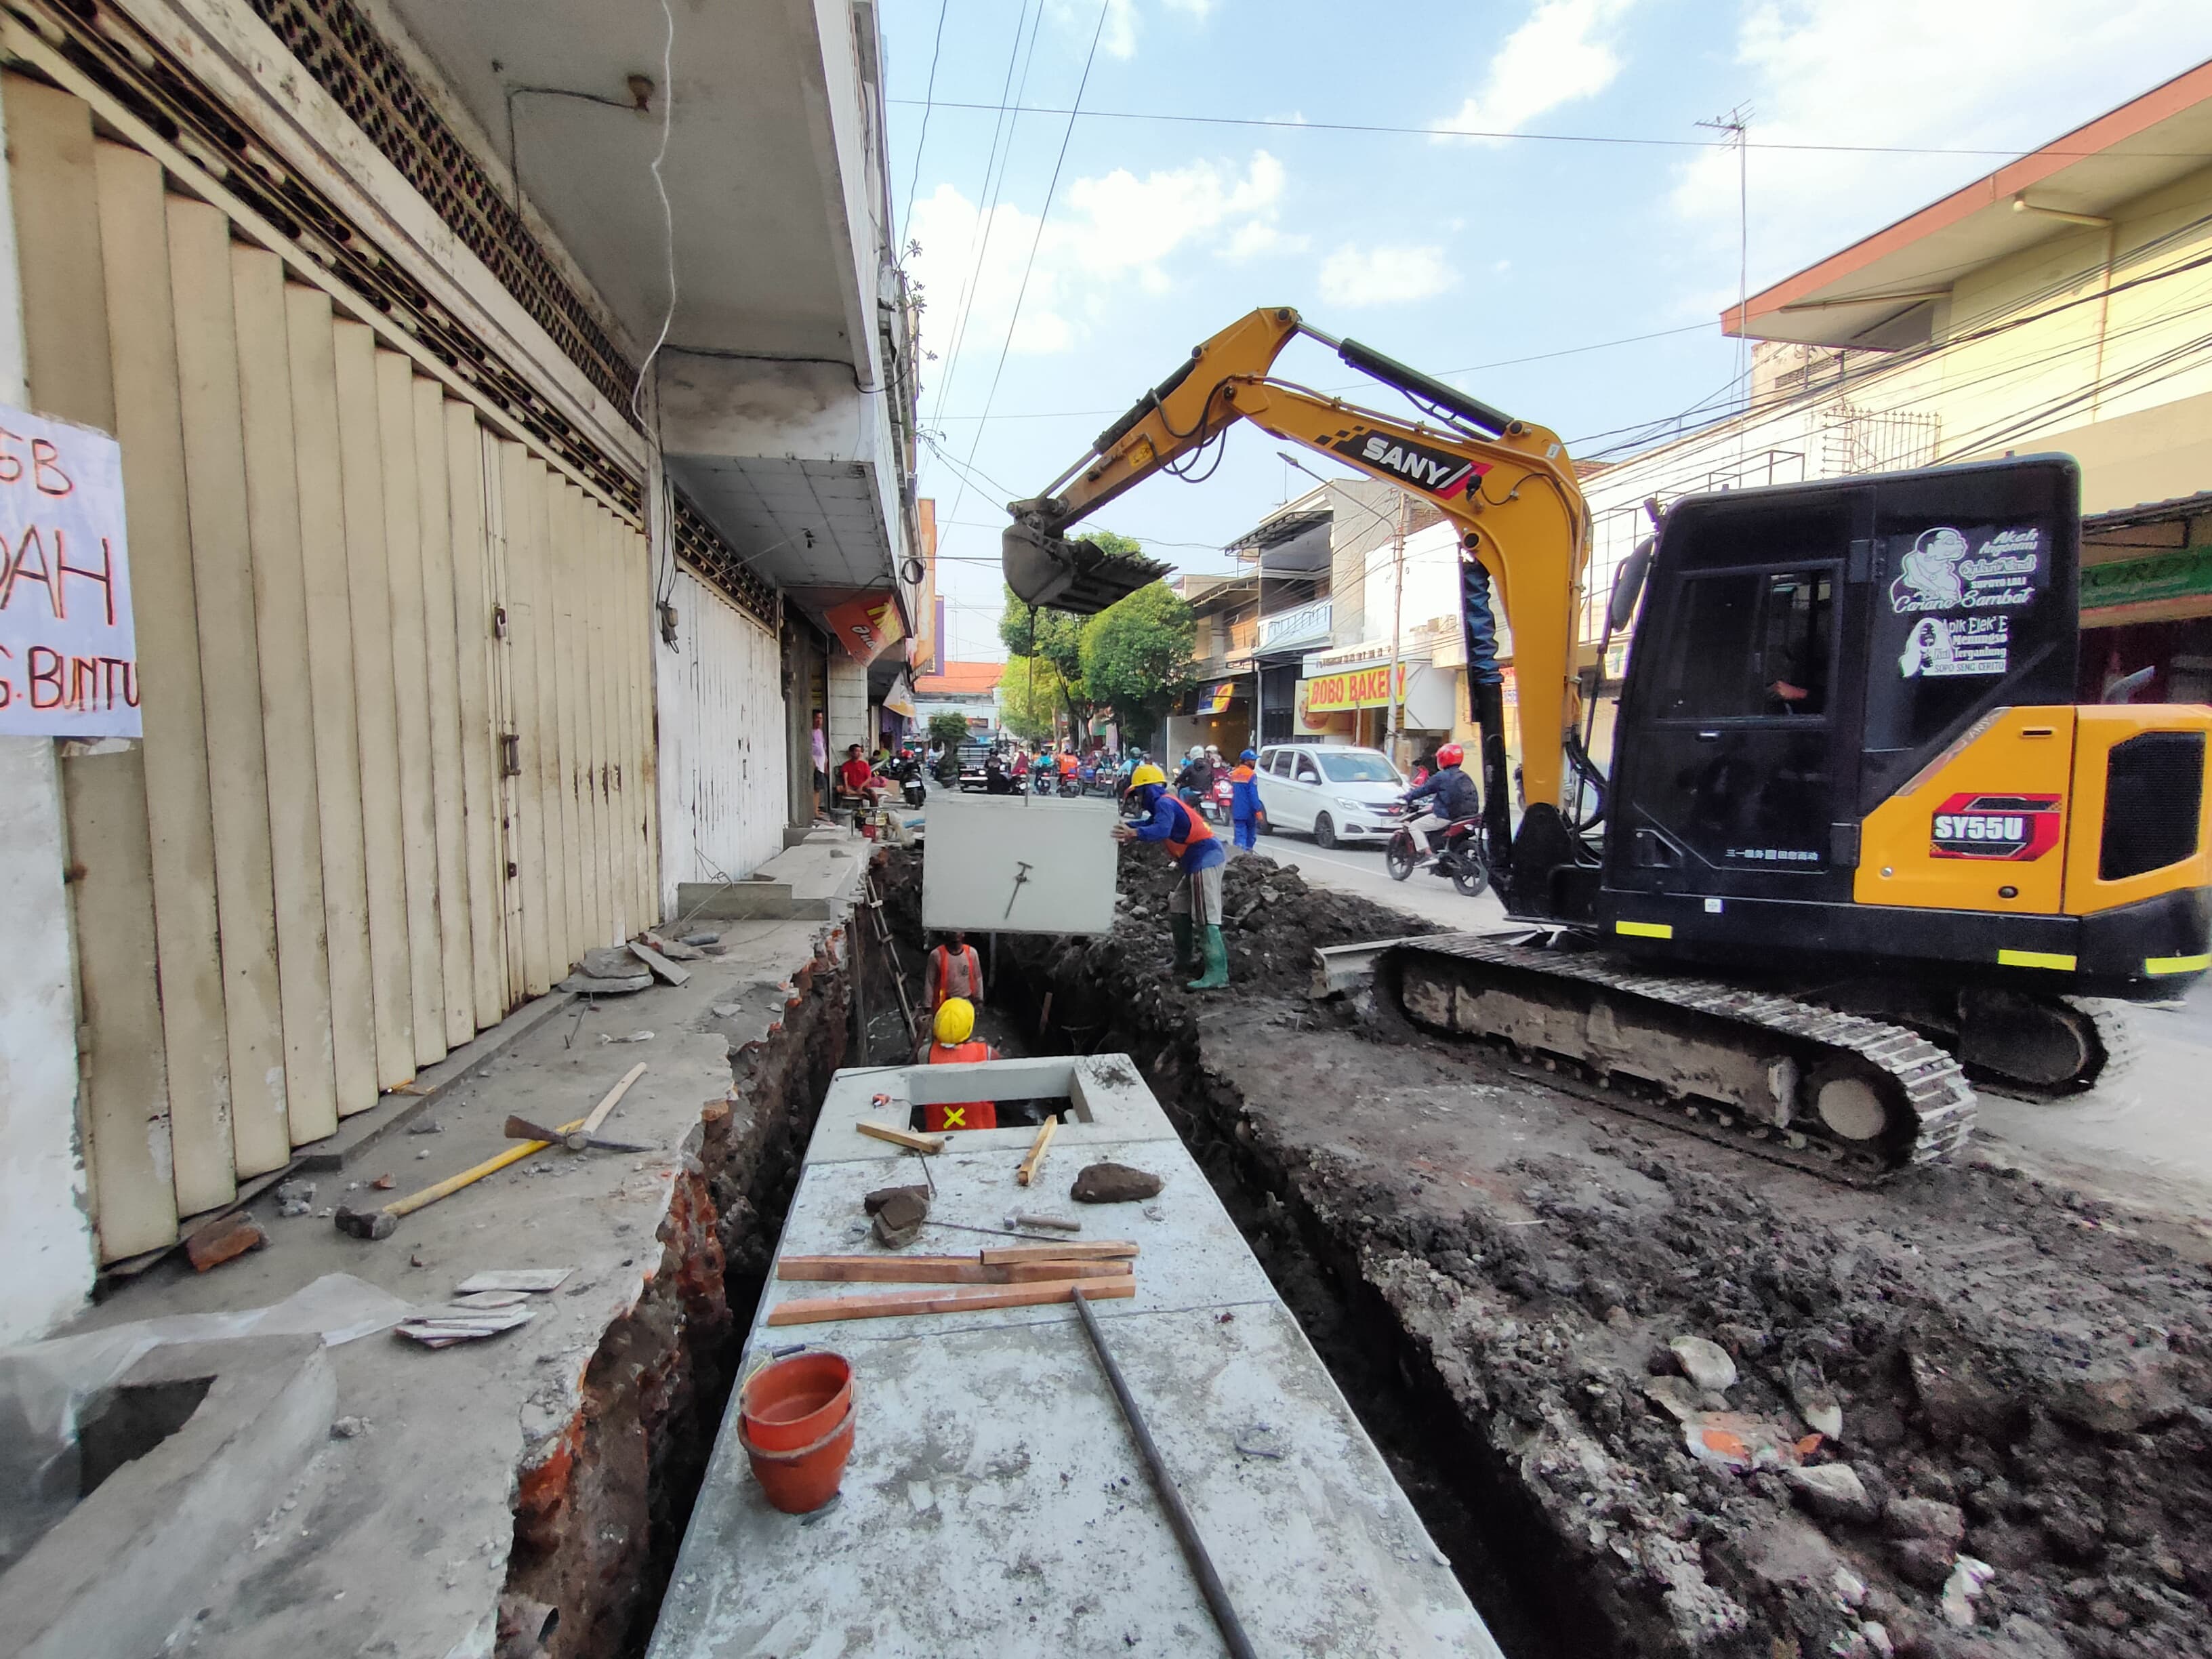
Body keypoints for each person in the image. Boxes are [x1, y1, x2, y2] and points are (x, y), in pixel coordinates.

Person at [1113, 762, 1230, 990]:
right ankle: (1183, 960)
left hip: (1206, 858)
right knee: (1179, 905)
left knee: (1205, 916)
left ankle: (1218, 973)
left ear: (1147, 789)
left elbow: (1162, 830)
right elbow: (1151, 823)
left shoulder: (1165, 803)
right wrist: (1129, 827)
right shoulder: (1164, 805)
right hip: (1195, 861)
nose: (1138, 799)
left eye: (1138, 793)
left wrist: (1134, 833)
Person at [920, 998, 996, 1131]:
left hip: (937, 1133)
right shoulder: (987, 1053)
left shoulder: (925, 1053)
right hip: (980, 1131)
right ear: (969, 1027)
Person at [1401, 741, 1480, 856]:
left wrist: (1407, 797)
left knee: (1414, 826)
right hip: (1468, 816)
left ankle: (1428, 854)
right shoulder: (1464, 776)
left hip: (1447, 816)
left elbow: (1423, 790)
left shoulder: (1441, 777)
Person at [925, 931, 983, 1015]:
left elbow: (978, 977)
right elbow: (929, 982)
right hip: (943, 1005)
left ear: (963, 933)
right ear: (945, 932)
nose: (955, 933)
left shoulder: (971, 953)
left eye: (957, 929)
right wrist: (928, 1008)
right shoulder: (937, 955)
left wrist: (979, 1000)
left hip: (966, 1003)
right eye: (951, 930)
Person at [1227, 748, 1262, 853]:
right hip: (1249, 811)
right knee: (1250, 838)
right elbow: (1253, 795)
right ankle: (1247, 858)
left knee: (1239, 837)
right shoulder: (1251, 775)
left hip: (1237, 810)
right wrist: (1258, 811)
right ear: (1246, 761)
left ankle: (1238, 858)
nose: (1255, 762)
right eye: (1253, 760)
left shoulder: (1234, 773)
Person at [836, 743, 884, 811]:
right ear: (851, 753)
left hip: (863, 787)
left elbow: (869, 778)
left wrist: (861, 786)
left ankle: (874, 812)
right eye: (856, 751)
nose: (859, 753)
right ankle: (861, 794)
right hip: (851, 787)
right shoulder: (846, 765)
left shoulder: (864, 764)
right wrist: (846, 787)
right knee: (839, 788)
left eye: (860, 751)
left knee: (874, 795)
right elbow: (845, 777)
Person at [809, 711, 829, 818]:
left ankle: (816, 809)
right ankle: (814, 811)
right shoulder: (810, 732)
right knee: (815, 788)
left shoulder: (820, 732)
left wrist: (826, 763)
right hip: (815, 763)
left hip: (821, 763)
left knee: (818, 788)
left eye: (821, 718)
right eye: (817, 718)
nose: (819, 721)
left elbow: (823, 748)